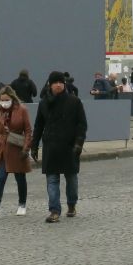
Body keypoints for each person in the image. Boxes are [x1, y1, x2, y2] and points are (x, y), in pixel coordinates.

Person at [31, 71, 87, 223]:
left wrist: (78, 143)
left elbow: (82, 125)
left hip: (69, 146)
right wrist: (34, 146)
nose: (58, 85)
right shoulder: (43, 103)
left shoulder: (74, 101)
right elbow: (38, 126)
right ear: (49, 84)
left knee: (72, 180)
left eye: (61, 82)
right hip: (51, 146)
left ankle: (71, 204)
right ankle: (54, 210)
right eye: (55, 82)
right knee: (52, 180)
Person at [0, 86, 33, 217]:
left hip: (17, 148)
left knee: (20, 178)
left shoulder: (22, 110)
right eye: (1, 100)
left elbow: (28, 130)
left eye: (6, 100)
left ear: (12, 98)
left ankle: (22, 204)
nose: (4, 102)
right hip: (2, 149)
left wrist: (26, 148)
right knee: (0, 178)